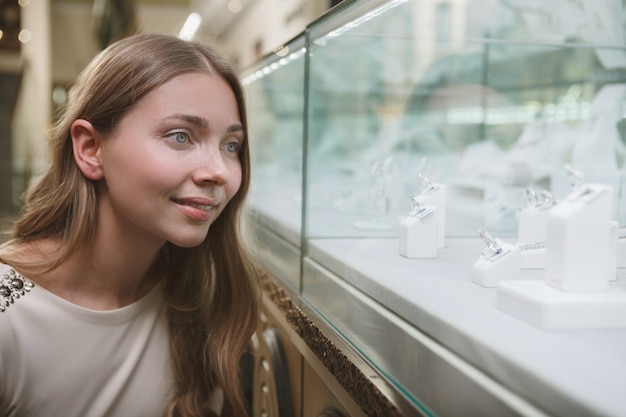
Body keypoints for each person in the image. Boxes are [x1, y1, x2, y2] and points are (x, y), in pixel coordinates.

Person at [0, 33, 259, 417]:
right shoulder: (9, 312)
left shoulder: (200, 293)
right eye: (180, 136)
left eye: (231, 145)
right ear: (91, 149)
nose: (220, 172)